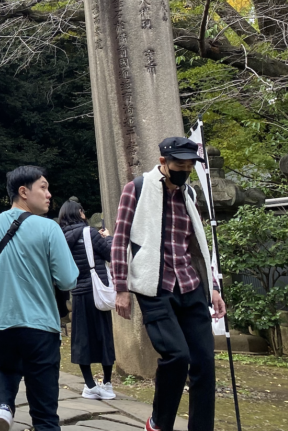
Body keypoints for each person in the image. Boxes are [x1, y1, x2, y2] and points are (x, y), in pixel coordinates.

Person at [111, 137, 227, 431]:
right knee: (177, 355)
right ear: (163, 162)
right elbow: (120, 238)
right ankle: (159, 422)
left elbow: (199, 245)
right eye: (180, 164)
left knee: (204, 363)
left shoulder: (189, 195)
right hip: (155, 286)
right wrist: (121, 288)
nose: (185, 170)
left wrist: (214, 287)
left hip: (190, 284)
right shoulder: (136, 189)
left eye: (190, 165)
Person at [0, 166, 78, 431]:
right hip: (40, 326)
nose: (49, 194)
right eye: (44, 187)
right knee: (45, 411)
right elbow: (68, 279)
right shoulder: (49, 229)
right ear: (23, 192)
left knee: (8, 366)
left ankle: (4, 407)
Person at [58, 200, 116, 400]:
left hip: (78, 293)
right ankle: (107, 384)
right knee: (104, 336)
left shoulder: (61, 238)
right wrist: (108, 238)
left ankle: (90, 385)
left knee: (82, 338)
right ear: (80, 213)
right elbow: (110, 254)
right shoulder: (90, 233)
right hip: (97, 291)